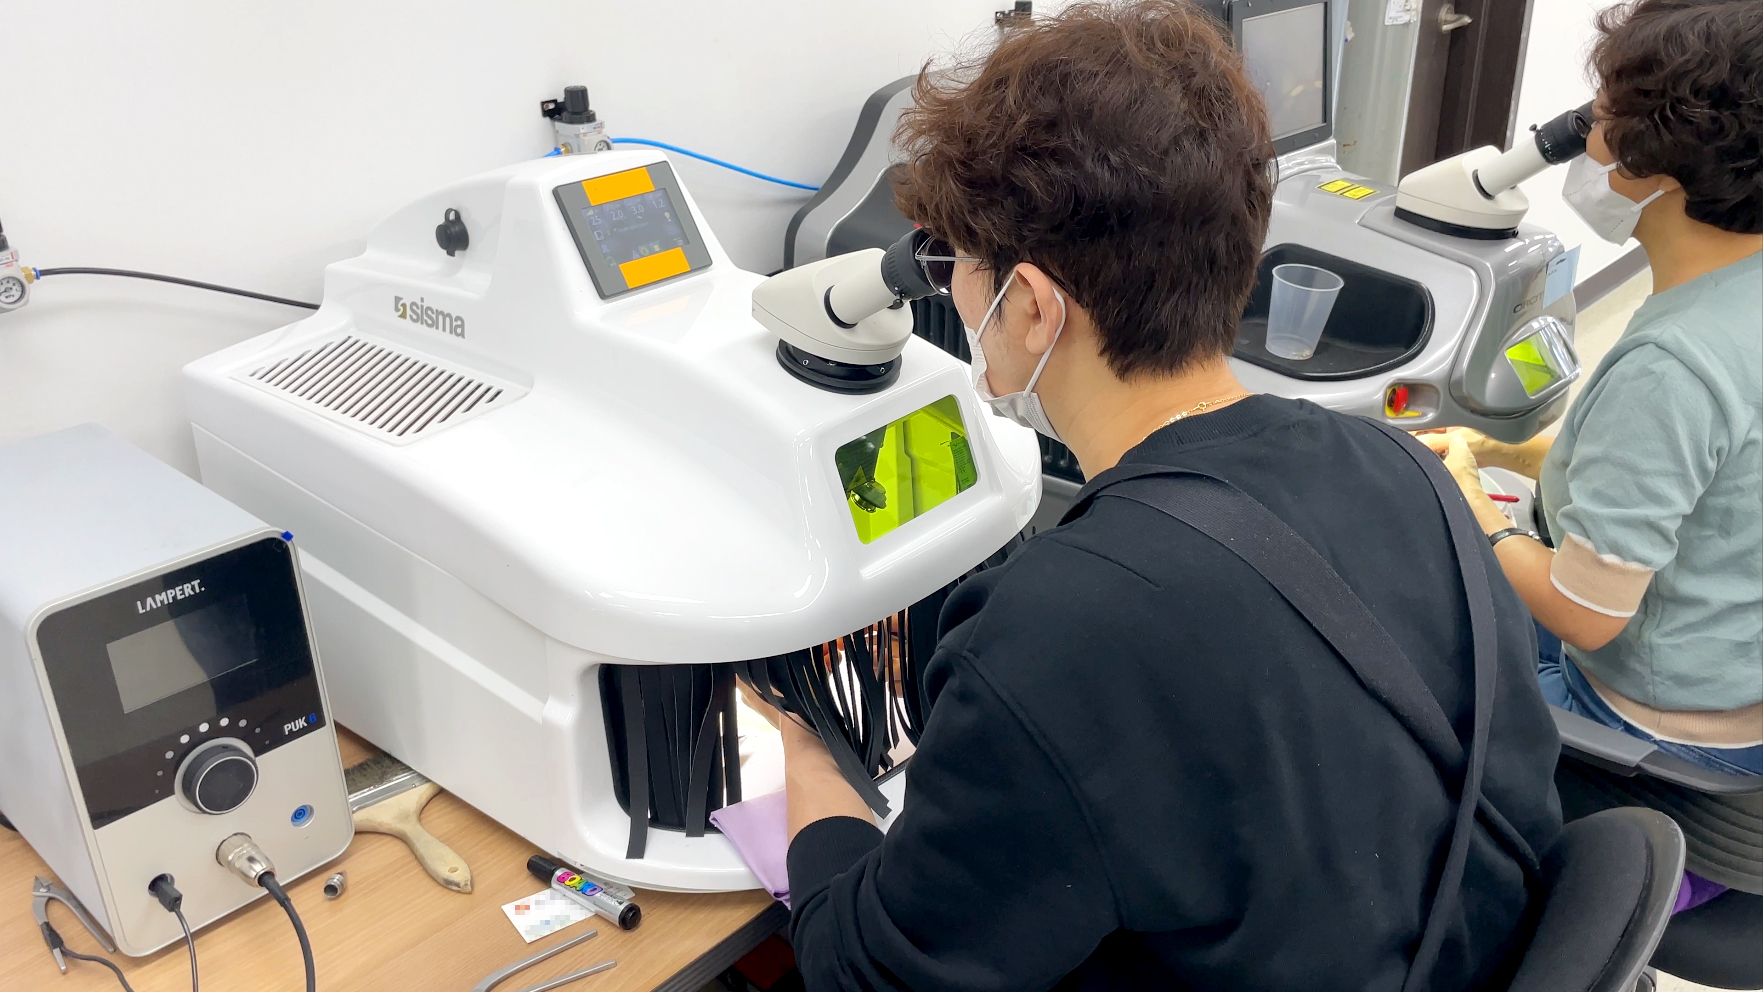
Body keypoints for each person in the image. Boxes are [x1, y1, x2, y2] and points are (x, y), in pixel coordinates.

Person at [754, 3, 1564, 989]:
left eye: (952, 265)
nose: (953, 294)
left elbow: (866, 972)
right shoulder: (1401, 466)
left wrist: (804, 751)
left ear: (1031, 306)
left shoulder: (1063, 635)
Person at [1419, 0, 1760, 903]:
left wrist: (1473, 507)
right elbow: (1713, 484)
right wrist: (1519, 455)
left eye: (1601, 116)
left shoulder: (1671, 365)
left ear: (1663, 158)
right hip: (1732, 695)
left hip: (1664, 772)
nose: (1584, 138)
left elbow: (1584, 613)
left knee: (1378, 700)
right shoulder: (1737, 297)